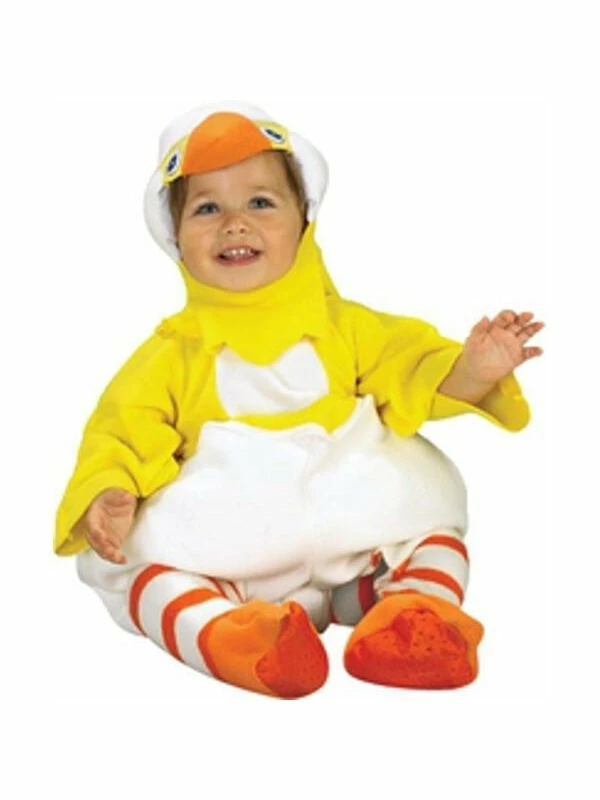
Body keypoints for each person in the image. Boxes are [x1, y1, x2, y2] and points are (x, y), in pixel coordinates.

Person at [54, 103, 544, 698]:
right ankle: (239, 640)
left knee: (435, 537)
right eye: (207, 208)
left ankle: (410, 616)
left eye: (260, 202)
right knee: (147, 577)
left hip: (354, 547)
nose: (235, 223)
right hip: (233, 559)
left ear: (304, 222)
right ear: (175, 239)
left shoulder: (348, 328)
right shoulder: (171, 355)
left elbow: (412, 370)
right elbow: (121, 433)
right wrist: (110, 492)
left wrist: (472, 370)